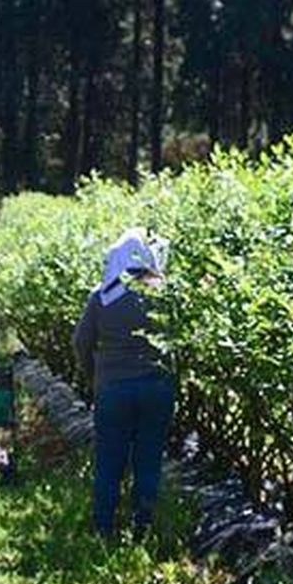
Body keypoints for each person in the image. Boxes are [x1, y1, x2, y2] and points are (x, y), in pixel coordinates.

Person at [72, 227, 175, 538]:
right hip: (156, 389)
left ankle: (104, 529)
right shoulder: (163, 295)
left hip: (113, 390)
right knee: (148, 460)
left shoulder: (102, 296)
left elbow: (80, 341)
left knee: (109, 462)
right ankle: (142, 528)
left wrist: (94, 377)